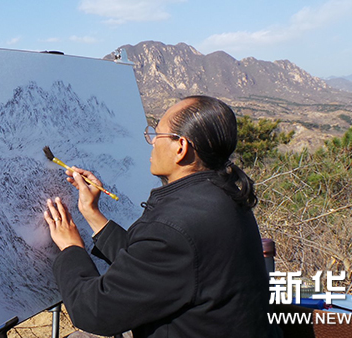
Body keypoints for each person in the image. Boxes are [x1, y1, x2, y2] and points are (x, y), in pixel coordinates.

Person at [44, 96, 279, 337]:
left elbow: (94, 311)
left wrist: (71, 247)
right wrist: (92, 214)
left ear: (181, 148)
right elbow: (151, 266)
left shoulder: (175, 227)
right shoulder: (225, 194)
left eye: (157, 135)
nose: (153, 141)